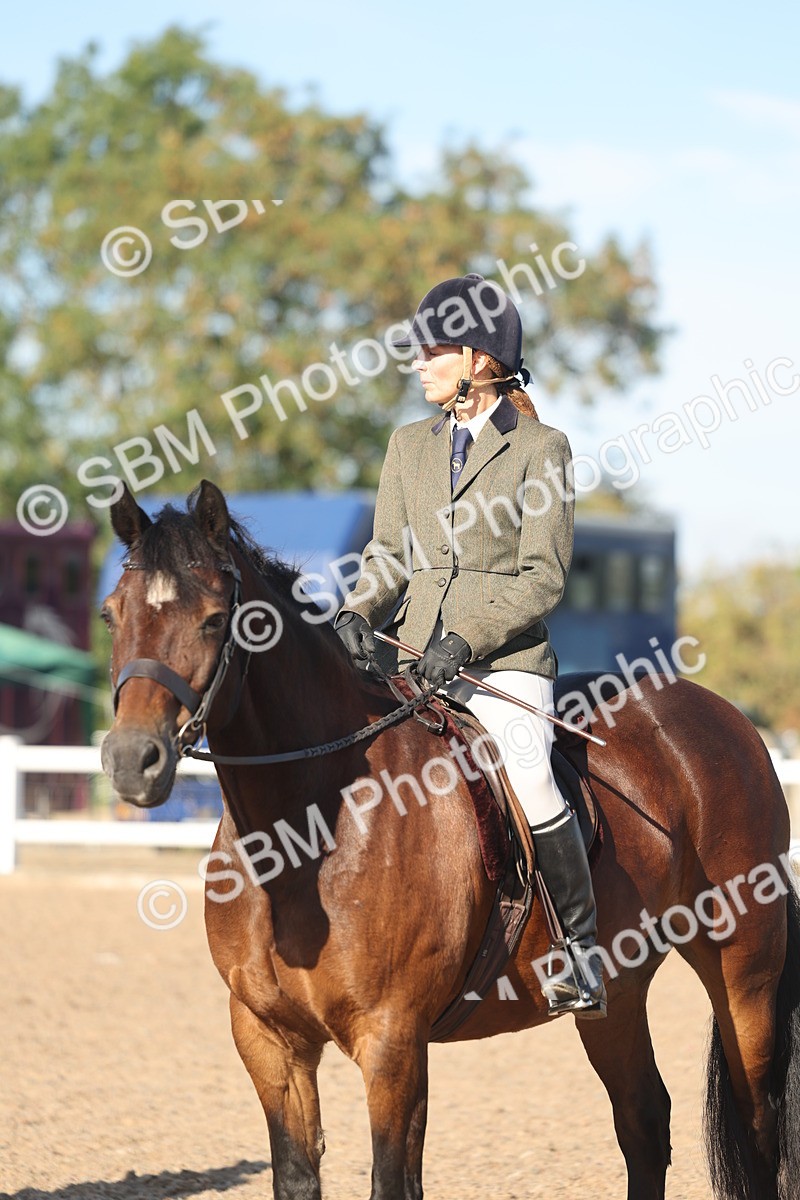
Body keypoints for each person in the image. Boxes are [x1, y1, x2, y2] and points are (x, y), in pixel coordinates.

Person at [334, 273, 606, 1018]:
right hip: (415, 658)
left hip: (503, 665)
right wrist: (355, 610)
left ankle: (580, 953)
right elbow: (388, 554)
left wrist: (467, 638)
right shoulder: (407, 447)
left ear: (480, 360)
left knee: (530, 773)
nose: (419, 363)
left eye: (433, 351)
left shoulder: (541, 449)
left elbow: (542, 578)